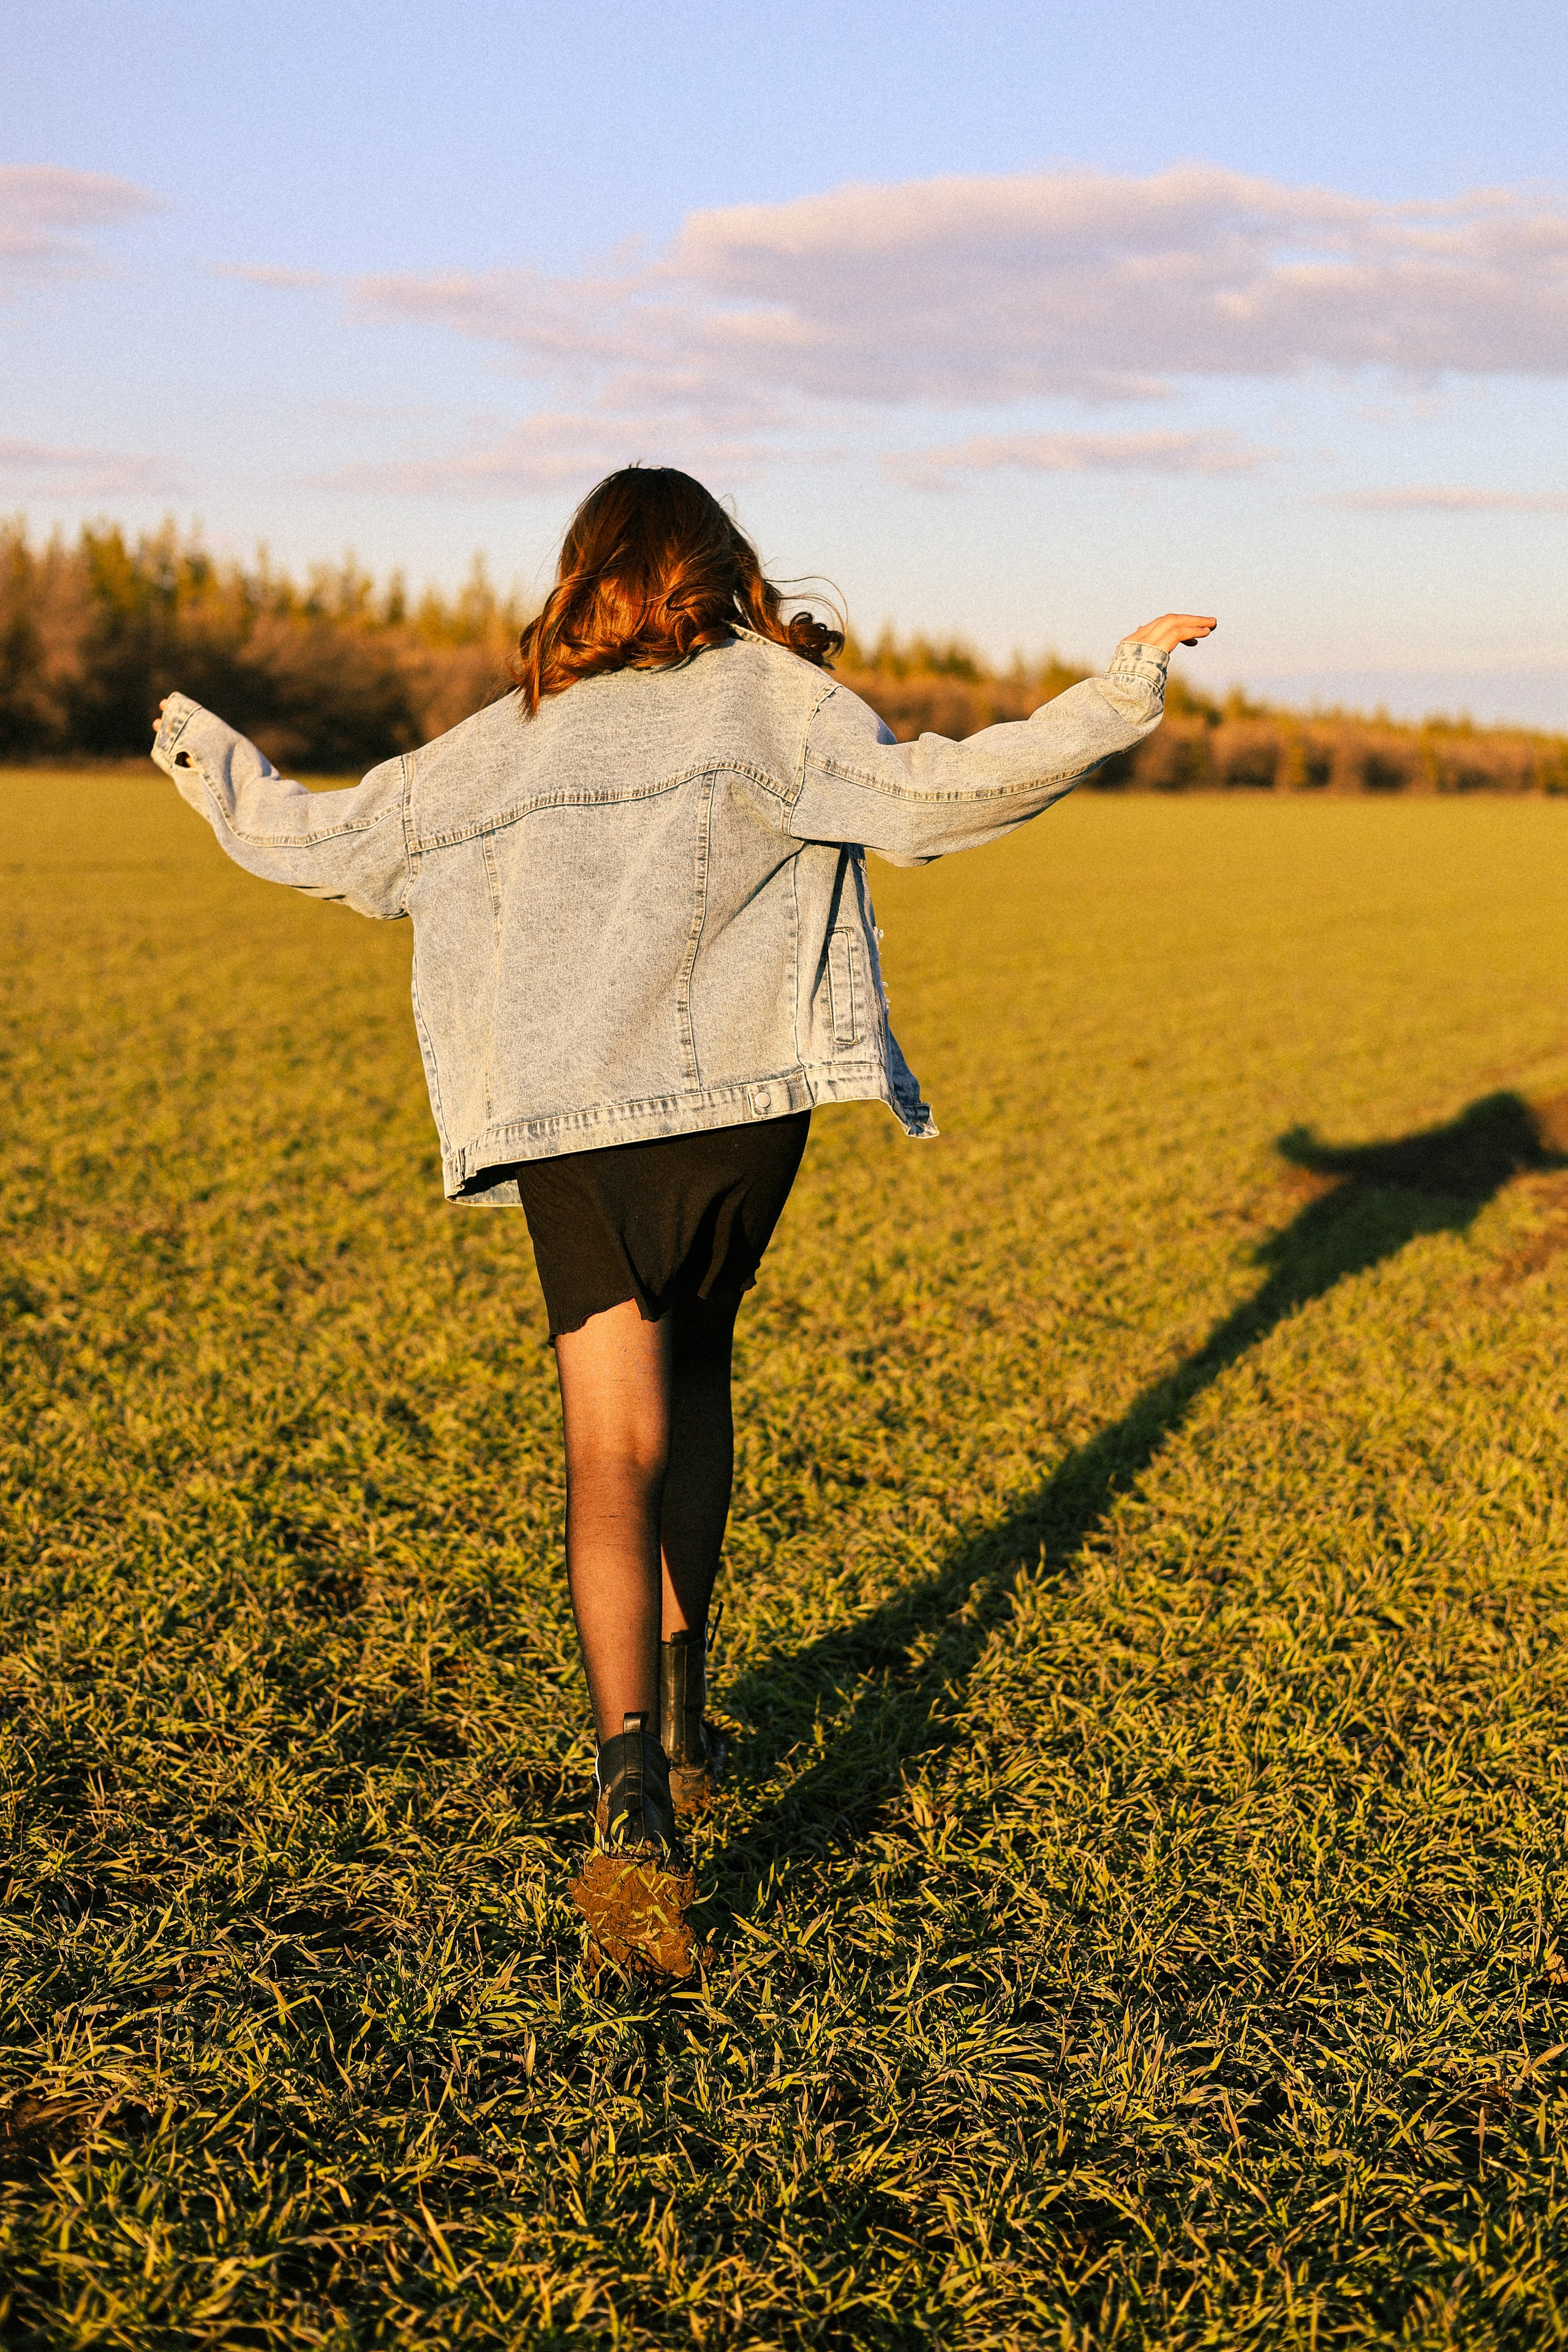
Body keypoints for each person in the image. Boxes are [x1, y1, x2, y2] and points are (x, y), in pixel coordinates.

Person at [151, 465, 1215, 1973]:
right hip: (735, 1117)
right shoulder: (776, 704)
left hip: (570, 1125)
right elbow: (937, 797)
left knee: (609, 1443)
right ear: (723, 572)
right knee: (698, 1372)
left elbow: (330, 846)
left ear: (587, 575)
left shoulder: (505, 737)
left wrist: (204, 751)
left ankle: (631, 1780)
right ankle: (698, 1717)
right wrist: (1116, 693)